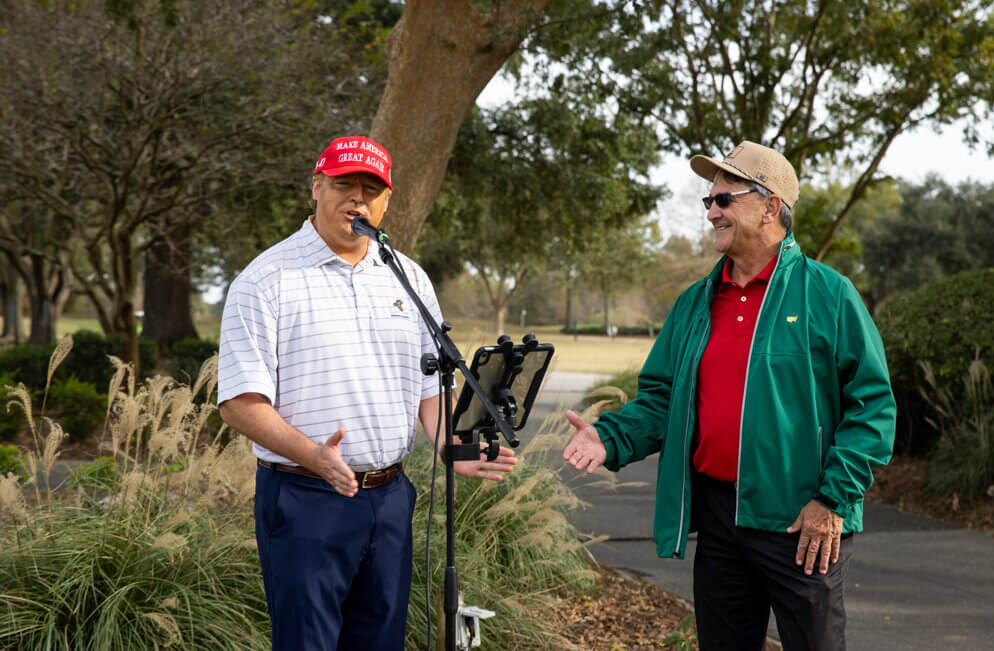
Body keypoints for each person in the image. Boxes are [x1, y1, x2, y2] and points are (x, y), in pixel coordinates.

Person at [563, 141, 896, 650]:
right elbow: (662, 398)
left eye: (724, 200)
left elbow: (873, 407)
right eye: (709, 201)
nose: (712, 212)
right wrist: (610, 437)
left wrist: (832, 500)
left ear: (770, 206)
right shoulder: (695, 302)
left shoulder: (828, 294)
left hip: (803, 520)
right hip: (720, 519)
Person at [217, 136, 517, 651]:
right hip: (305, 497)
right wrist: (314, 456)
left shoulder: (408, 277)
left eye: (370, 189)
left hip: (390, 498)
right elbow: (240, 404)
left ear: (386, 202)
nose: (357, 198)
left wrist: (450, 444)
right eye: (344, 184)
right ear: (316, 187)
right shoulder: (266, 279)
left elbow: (430, 388)